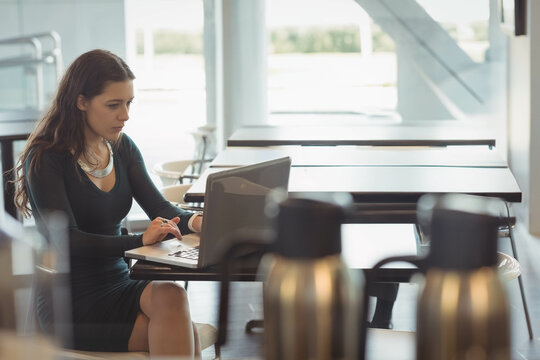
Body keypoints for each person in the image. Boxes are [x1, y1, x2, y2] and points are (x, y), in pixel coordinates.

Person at [13, 49, 203, 357]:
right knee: (183, 333)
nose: (125, 115)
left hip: (120, 280)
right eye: (113, 105)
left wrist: (198, 222)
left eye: (128, 103)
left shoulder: (121, 146)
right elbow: (67, 241)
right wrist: (140, 240)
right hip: (71, 301)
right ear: (81, 101)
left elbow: (160, 207)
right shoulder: (46, 158)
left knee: (172, 297)